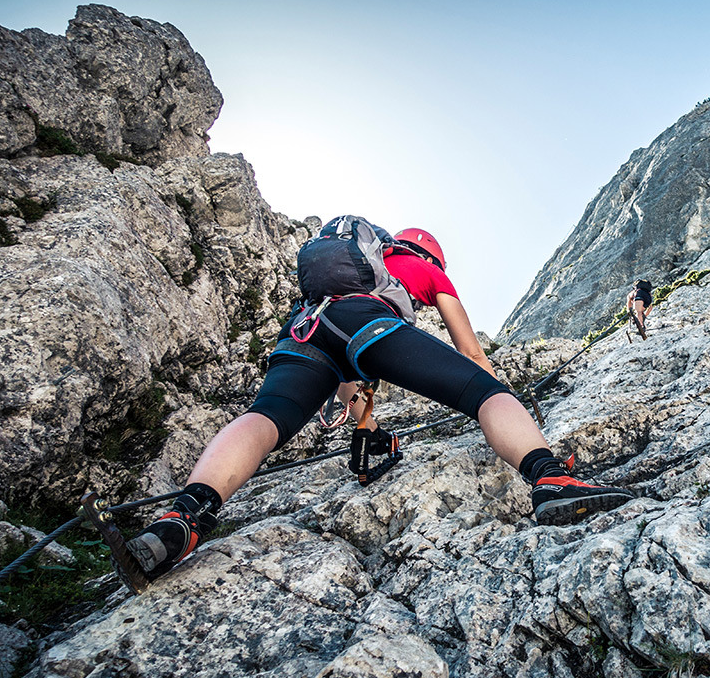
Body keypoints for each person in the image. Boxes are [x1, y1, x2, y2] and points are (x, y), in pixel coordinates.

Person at [123, 218, 635, 581]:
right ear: (431, 256)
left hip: (304, 329)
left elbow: (351, 379)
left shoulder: (365, 264)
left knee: (266, 417)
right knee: (486, 394)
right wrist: (500, 393)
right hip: (365, 321)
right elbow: (470, 350)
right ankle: (550, 478)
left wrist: (365, 433)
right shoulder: (427, 271)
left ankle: (184, 519)